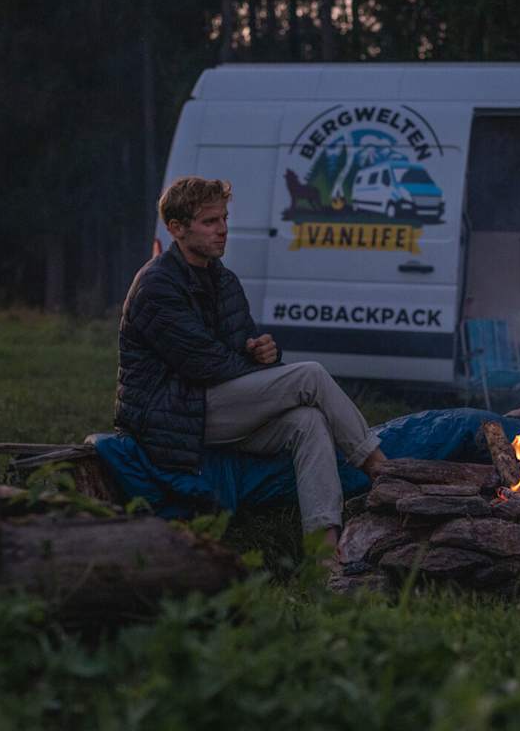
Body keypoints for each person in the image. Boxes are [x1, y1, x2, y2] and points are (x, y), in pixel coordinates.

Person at [114, 176, 388, 554]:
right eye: (210, 222)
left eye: (225, 219)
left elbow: (236, 346)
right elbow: (205, 365)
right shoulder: (157, 285)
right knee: (309, 375)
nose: (223, 230)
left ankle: (324, 553)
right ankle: (381, 471)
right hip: (172, 413)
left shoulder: (222, 280)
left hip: (214, 405)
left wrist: (265, 353)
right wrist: (262, 367)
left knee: (308, 422)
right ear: (176, 229)